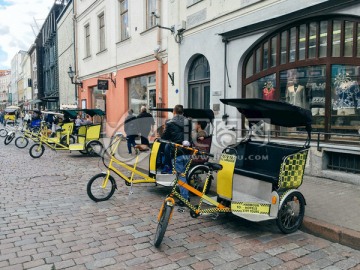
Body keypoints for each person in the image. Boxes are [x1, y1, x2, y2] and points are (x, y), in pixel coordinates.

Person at [161, 104, 187, 173]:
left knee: (165, 147)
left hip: (175, 149)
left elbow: (164, 137)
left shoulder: (170, 123)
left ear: (174, 112)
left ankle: (168, 166)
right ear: (183, 113)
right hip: (187, 148)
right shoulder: (189, 121)